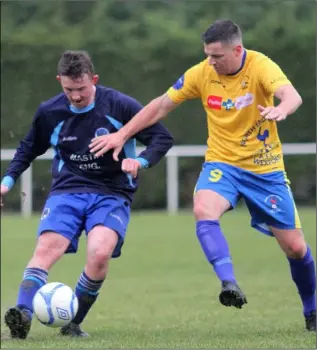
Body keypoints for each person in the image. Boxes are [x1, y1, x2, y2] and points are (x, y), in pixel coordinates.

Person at [88, 20, 316, 331]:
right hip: (222, 164)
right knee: (202, 209)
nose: (211, 61)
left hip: (265, 170)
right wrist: (122, 134)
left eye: (217, 56)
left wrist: (282, 109)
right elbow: (160, 105)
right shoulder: (201, 73)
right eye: (207, 55)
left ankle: (311, 310)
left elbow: (292, 96)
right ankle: (229, 283)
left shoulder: (261, 66)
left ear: (237, 50)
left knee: (295, 248)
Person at [1, 50, 173, 339]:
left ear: (93, 79)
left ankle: (73, 323)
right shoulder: (50, 112)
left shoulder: (119, 105)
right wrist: (7, 181)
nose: (76, 96)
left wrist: (140, 161)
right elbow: (28, 148)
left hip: (112, 192)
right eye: (69, 89)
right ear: (59, 81)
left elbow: (161, 137)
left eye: (81, 88)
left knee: (99, 254)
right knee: (45, 250)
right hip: (67, 190)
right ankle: (22, 316)